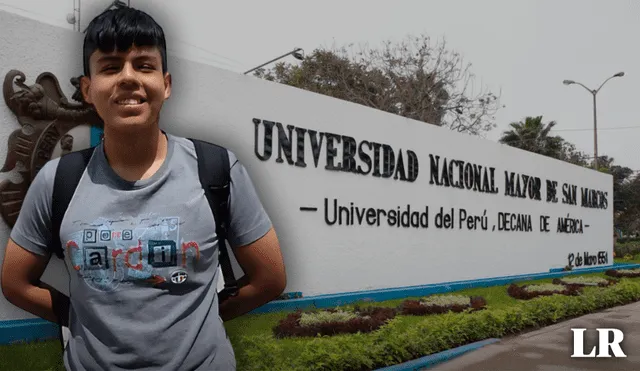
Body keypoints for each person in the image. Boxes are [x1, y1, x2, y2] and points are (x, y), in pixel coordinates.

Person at [1, 6, 286, 371]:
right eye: (110, 66)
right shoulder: (57, 179)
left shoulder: (215, 169)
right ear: (88, 89)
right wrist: (78, 315)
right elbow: (15, 282)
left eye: (144, 65)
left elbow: (271, 278)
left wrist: (204, 315)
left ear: (166, 84)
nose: (128, 77)